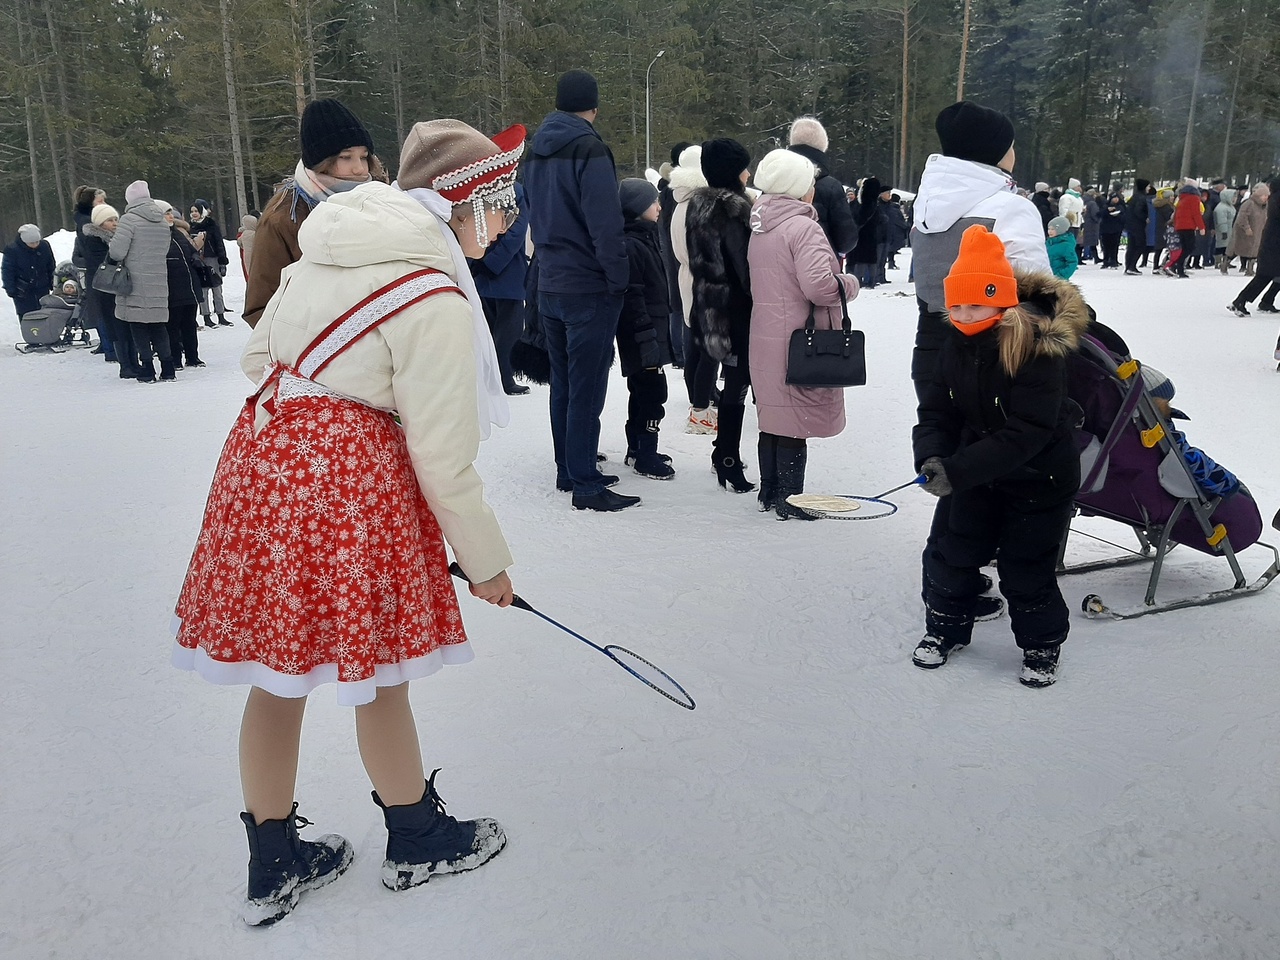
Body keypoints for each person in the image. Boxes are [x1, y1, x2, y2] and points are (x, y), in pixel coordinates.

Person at [172, 118, 520, 926]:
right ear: (461, 205)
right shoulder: (431, 294)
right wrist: (488, 561)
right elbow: (442, 454)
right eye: (501, 204)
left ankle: (274, 858)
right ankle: (417, 837)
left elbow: (260, 358)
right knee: (382, 666)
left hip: (261, 465)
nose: (506, 225)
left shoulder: (326, 249)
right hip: (349, 484)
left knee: (275, 668)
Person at [911, 225, 1087, 687]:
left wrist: (958, 469)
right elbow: (936, 410)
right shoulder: (953, 343)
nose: (964, 313)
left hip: (1039, 479)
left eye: (976, 303)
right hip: (976, 475)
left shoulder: (1037, 349)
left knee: (1025, 566)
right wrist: (932, 456)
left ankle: (1041, 644)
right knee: (952, 552)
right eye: (956, 304)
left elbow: (1028, 431)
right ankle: (944, 630)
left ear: (1003, 301)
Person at [909, 101, 1050, 622]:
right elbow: (1035, 291)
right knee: (989, 462)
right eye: (1011, 143)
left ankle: (947, 582)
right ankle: (963, 583)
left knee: (951, 451)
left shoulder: (930, 201)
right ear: (996, 150)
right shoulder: (1008, 206)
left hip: (934, 343)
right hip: (997, 353)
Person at [524, 69, 638, 512]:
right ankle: (585, 483)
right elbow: (604, 223)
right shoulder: (589, 146)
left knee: (565, 384)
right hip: (587, 284)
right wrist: (617, 277)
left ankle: (568, 468)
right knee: (586, 388)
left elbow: (532, 210)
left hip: (550, 279)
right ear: (593, 106)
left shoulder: (535, 150)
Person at [747, 148, 859, 520]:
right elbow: (820, 288)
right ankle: (791, 500)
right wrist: (851, 282)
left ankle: (770, 491)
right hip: (798, 338)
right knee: (794, 420)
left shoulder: (762, 225)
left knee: (774, 417)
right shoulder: (803, 227)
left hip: (765, 334)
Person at [244, 98, 381, 328]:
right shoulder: (284, 218)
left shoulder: (379, 201)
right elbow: (261, 308)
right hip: (322, 350)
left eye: (364, 156)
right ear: (321, 162)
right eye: (346, 157)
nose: (359, 168)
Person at [686, 138, 757, 493]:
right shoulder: (733, 211)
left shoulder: (697, 206)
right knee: (737, 384)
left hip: (709, 307)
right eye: (744, 166)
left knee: (734, 382)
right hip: (735, 311)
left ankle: (724, 453)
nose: (748, 172)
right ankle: (726, 456)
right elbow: (744, 269)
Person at [616, 177, 676, 480]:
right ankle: (646, 453)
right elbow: (634, 295)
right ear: (638, 207)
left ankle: (637, 447)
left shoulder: (646, 237)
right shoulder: (632, 244)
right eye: (653, 202)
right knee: (652, 392)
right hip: (643, 332)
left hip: (651, 329)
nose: (659, 206)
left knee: (641, 390)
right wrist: (646, 336)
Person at [669, 143, 717, 434]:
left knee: (696, 344)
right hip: (704, 282)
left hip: (688, 279)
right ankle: (701, 409)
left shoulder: (680, 202)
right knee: (708, 348)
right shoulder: (701, 204)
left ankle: (700, 402)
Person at [468, 180, 530, 396]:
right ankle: (501, 378)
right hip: (502, 271)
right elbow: (516, 232)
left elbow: (515, 230)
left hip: (489, 270)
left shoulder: (483, 187)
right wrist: (488, 262)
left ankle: (498, 377)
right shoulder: (512, 189)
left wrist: (480, 260)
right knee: (502, 330)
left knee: (499, 330)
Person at [109, 180, 175, 382]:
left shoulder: (129, 220)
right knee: (158, 324)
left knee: (138, 324)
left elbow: (117, 251)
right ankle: (168, 367)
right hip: (158, 279)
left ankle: (147, 368)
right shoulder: (162, 220)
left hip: (134, 280)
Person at [786, 116, 858, 259]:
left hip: (777, 266)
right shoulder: (831, 186)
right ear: (822, 145)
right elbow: (846, 240)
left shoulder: (773, 183)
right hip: (820, 264)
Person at [81, 204, 138, 377]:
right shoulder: (93, 240)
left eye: (115, 219)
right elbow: (107, 262)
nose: (114, 223)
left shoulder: (116, 238)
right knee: (116, 325)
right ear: (100, 223)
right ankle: (125, 366)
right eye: (109, 220)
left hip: (118, 286)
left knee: (126, 325)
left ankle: (133, 362)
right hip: (105, 288)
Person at [155, 200, 205, 369]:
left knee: (189, 324)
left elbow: (190, 251)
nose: (171, 216)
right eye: (166, 213)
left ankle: (193, 357)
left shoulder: (177, 233)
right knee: (173, 326)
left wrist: (196, 259)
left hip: (189, 286)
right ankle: (175, 359)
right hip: (172, 289)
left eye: (171, 212)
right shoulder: (157, 236)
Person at [657, 141, 693, 368]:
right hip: (676, 250)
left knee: (676, 302)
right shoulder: (678, 191)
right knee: (680, 302)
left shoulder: (668, 190)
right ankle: (680, 353)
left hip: (670, 248)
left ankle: (678, 351)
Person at [1229, 175, 1280, 317]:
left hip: (1273, 242)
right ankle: (1241, 301)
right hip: (1275, 244)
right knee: (1265, 276)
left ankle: (1265, 300)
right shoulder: (1277, 198)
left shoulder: (1274, 196)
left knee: (1268, 275)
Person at [187, 199, 232, 327]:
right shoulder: (190, 227)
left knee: (217, 288)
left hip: (213, 259)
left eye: (196, 211)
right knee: (203, 290)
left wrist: (222, 260)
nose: (194, 214)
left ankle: (221, 314)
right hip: (198, 260)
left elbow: (219, 243)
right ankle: (206, 316)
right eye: (192, 211)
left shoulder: (211, 225)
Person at [3, 224, 55, 320]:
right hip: (23, 291)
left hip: (42, 288)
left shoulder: (44, 246)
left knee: (44, 315)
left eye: (37, 242)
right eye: (31, 243)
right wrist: (11, 289)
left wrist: (53, 281)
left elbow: (50, 265)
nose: (35, 245)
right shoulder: (12, 250)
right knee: (27, 317)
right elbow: (8, 271)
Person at [1227, 181, 1269, 276]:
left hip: (1258, 231)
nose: (1266, 198)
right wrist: (1246, 228)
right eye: (1264, 195)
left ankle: (1249, 269)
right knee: (1239, 249)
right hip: (1245, 232)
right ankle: (1226, 262)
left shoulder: (1264, 206)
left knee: (1254, 250)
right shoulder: (1249, 203)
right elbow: (1242, 217)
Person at [1169, 179, 1206, 278]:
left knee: (1184, 248)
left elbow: (1176, 213)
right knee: (1189, 248)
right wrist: (1201, 227)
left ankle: (1178, 267)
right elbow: (1196, 213)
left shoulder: (1182, 198)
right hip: (1189, 226)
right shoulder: (1194, 198)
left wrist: (1176, 224)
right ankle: (1177, 265)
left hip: (1180, 226)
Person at [1122, 178, 1151, 274]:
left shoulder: (1135, 196)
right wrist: (1145, 218)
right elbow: (1138, 211)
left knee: (1131, 246)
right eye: (1148, 186)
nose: (1149, 188)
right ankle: (1132, 266)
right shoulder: (1141, 198)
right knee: (1140, 245)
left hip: (1131, 225)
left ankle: (1128, 266)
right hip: (1137, 225)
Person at [1099, 183, 1126, 268]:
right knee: (1106, 245)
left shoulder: (1121, 205)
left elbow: (1125, 213)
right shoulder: (1105, 206)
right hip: (1106, 228)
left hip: (1116, 227)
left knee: (1114, 244)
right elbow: (1100, 214)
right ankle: (1106, 260)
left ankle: (1113, 260)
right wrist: (1107, 210)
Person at [1059, 178, 1085, 260]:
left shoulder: (1078, 198)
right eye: (1078, 186)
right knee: (1068, 243)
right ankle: (1065, 259)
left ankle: (1070, 259)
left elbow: (1079, 211)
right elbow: (1063, 210)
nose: (1080, 188)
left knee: (1073, 243)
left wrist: (1081, 220)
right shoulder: (1066, 197)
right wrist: (1065, 222)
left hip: (1076, 223)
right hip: (1069, 223)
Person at [1214, 187, 1238, 274]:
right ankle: (1218, 262)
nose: (1234, 199)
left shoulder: (1230, 207)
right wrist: (1223, 231)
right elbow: (1221, 221)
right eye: (1233, 197)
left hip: (1230, 230)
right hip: (1224, 231)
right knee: (1222, 247)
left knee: (1227, 247)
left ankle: (1224, 262)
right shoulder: (1221, 208)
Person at [238, 211, 259, 280]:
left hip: (246, 256)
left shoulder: (243, 233)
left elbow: (239, 243)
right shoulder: (256, 233)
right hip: (256, 256)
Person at [1081, 188, 1101, 262]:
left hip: (1083, 223)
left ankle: (1080, 257)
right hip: (1092, 224)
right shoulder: (1092, 203)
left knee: (1081, 241)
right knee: (1092, 241)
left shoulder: (1082, 201)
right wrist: (1098, 220)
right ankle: (1095, 257)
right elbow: (1095, 214)